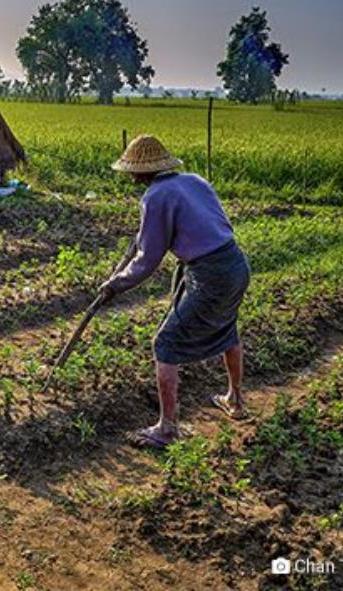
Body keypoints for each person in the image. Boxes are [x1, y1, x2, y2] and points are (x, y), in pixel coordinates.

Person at [98, 135, 251, 449]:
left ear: (140, 171)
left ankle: (166, 429)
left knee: (165, 342)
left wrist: (116, 284)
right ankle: (234, 400)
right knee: (227, 327)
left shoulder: (155, 196)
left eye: (131, 170)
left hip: (210, 274)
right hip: (235, 264)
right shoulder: (194, 180)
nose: (130, 176)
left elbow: (148, 260)